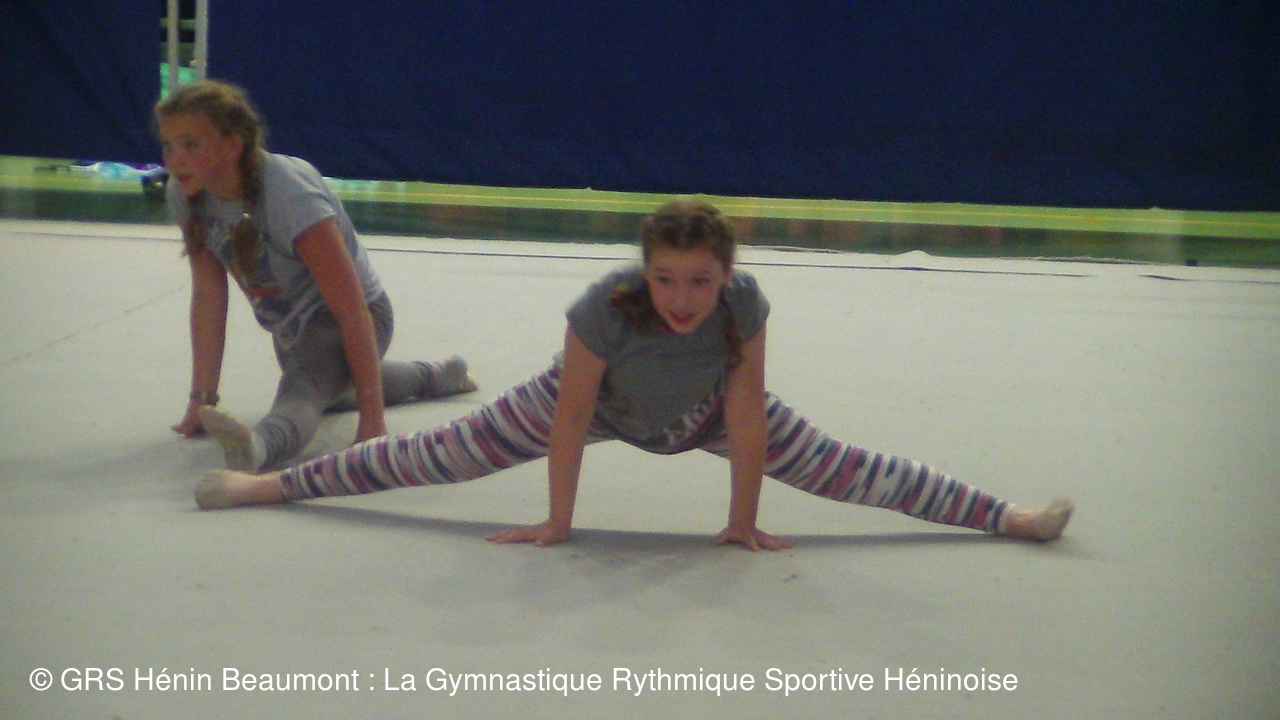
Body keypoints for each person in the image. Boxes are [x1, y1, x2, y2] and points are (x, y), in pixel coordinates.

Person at [194, 198, 1073, 549]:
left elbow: (749, 415)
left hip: (706, 410)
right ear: (643, 274)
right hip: (602, 404)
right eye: (666, 279)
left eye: (699, 281)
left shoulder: (743, 306)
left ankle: (1008, 517)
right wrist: (558, 521)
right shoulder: (605, 308)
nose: (682, 298)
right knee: (435, 455)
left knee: (853, 468)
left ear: (725, 277)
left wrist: (741, 522)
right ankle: (263, 487)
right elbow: (573, 419)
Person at [156, 79, 476, 472]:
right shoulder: (186, 193)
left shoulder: (289, 194)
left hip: (358, 316)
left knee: (305, 387)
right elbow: (209, 295)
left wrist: (373, 421)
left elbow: (351, 304)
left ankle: (258, 447)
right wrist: (201, 399)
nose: (175, 160)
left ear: (232, 146)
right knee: (332, 389)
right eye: (168, 145)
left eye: (191, 144)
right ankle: (439, 375)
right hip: (293, 332)